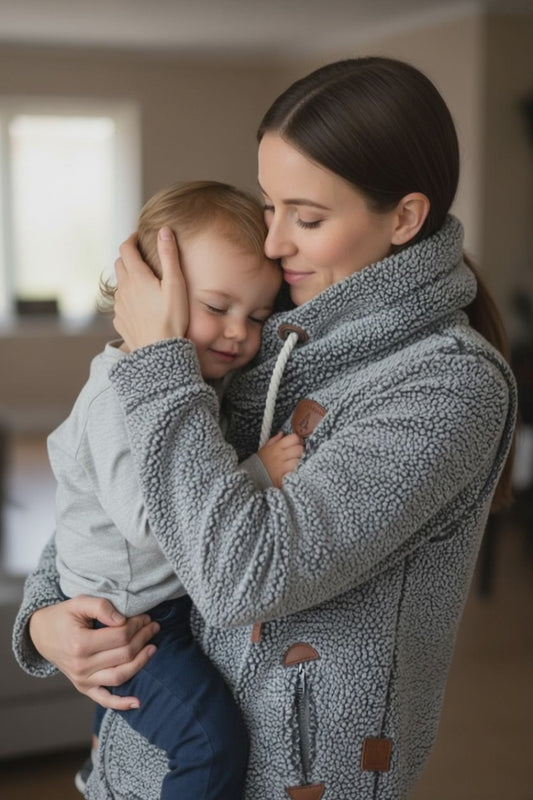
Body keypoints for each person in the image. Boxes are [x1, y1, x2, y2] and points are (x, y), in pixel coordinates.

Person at [13, 57, 516, 800]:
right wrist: (45, 621)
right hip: (130, 768)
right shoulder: (260, 330)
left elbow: (240, 578)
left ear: (404, 218)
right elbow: (105, 493)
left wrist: (158, 363)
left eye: (306, 218)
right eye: (269, 205)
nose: (274, 243)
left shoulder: (447, 385)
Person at [44, 180, 301, 800]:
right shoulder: (119, 395)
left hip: (152, 596)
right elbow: (151, 519)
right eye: (217, 307)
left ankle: (102, 751)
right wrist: (259, 472)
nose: (239, 332)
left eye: (260, 315)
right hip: (131, 619)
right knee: (209, 742)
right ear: (148, 292)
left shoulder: (197, 380)